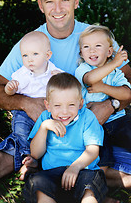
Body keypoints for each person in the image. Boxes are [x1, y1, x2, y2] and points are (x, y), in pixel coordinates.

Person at [0, 0, 131, 202]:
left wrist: (111, 105)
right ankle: (44, 168)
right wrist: (26, 103)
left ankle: (65, 176)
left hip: (89, 130)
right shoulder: (31, 43)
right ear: (40, 5)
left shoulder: (95, 37)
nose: (58, 8)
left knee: (117, 171)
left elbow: (128, 83)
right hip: (42, 133)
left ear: (76, 1)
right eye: (49, 1)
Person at [23, 72, 108, 203]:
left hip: (83, 171)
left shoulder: (87, 117)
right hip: (52, 174)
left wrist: (74, 167)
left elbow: (93, 151)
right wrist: (44, 128)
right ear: (48, 105)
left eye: (71, 105)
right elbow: (35, 154)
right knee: (38, 184)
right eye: (57, 105)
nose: (64, 112)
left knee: (89, 190)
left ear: (80, 104)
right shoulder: (45, 118)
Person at [0, 31, 62, 172]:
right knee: (20, 129)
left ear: (48, 55)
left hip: (47, 111)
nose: (29, 60)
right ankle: (28, 156)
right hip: (25, 112)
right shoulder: (22, 73)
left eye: (35, 54)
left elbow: (65, 85)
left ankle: (51, 155)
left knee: (54, 130)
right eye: (25, 56)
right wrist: (10, 89)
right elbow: (9, 91)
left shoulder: (53, 71)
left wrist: (61, 78)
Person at [75, 24, 131, 171]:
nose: (92, 50)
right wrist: (114, 63)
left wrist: (104, 88)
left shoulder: (115, 73)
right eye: (86, 47)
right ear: (81, 53)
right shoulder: (83, 69)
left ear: (109, 51)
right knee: (101, 160)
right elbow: (90, 79)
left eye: (98, 46)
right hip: (94, 126)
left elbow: (127, 94)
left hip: (118, 120)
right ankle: (96, 187)